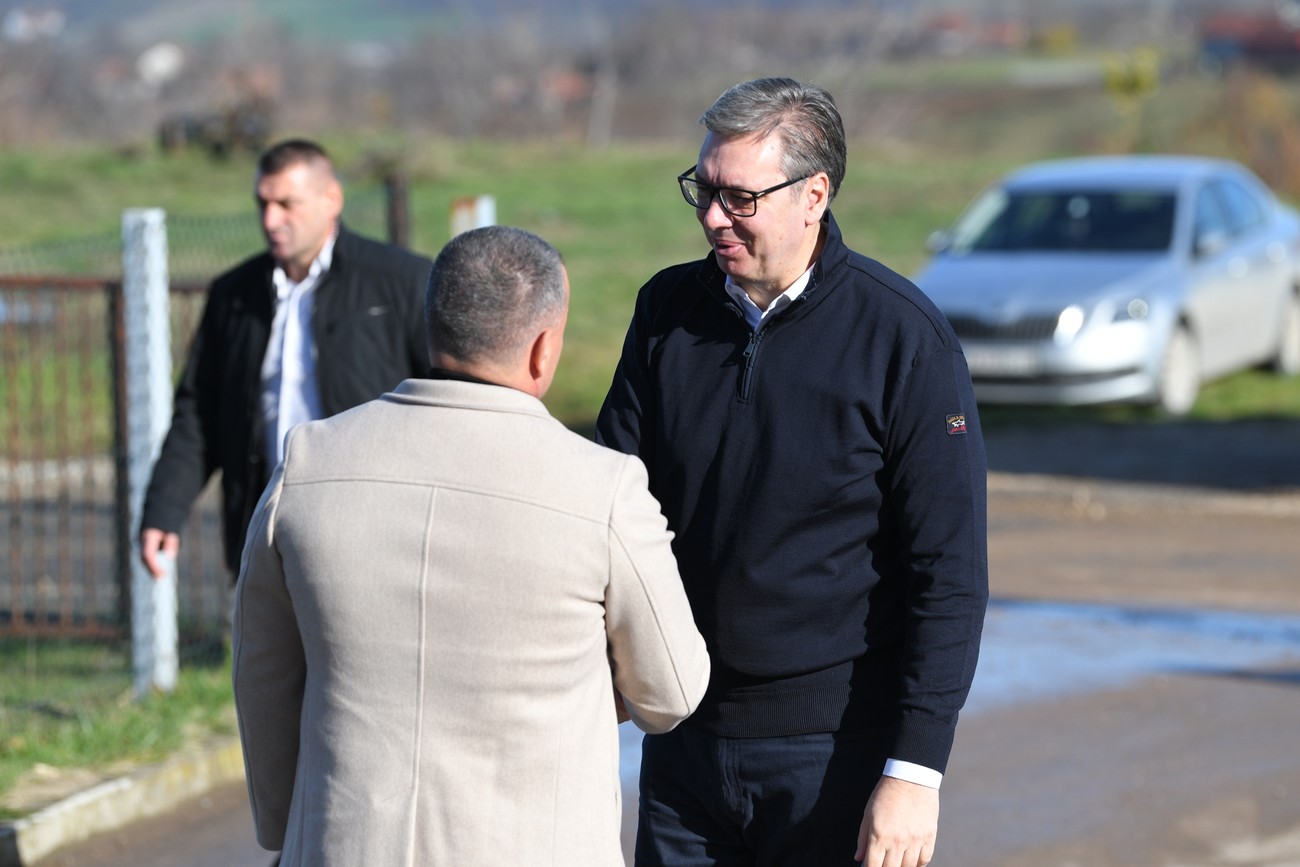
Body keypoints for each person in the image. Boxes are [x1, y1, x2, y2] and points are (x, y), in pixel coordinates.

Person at [595, 77, 989, 867]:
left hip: (836, 756)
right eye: (704, 190)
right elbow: (607, 512)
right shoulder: (666, 313)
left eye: (739, 198)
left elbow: (948, 572)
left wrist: (915, 771)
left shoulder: (903, 338)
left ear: (815, 195)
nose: (713, 216)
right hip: (683, 748)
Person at [232, 225, 711, 867]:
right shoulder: (603, 489)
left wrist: (283, 827)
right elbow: (672, 691)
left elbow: (263, 669)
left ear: (433, 325)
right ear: (542, 349)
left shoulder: (309, 462)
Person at [139, 138, 433, 582]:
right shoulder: (233, 295)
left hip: (372, 535)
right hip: (262, 531)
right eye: (263, 204)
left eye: (286, 204)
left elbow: (443, 399)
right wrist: (164, 508)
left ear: (331, 199)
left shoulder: (401, 282)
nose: (271, 220)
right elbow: (199, 411)